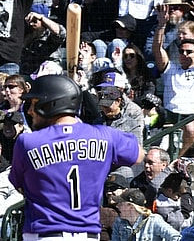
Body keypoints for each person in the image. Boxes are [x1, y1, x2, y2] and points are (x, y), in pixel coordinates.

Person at [9, 75, 144, 238]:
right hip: (88, 235)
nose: (30, 111)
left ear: (52, 103)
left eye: (35, 104)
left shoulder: (28, 142)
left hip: (46, 233)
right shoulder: (105, 136)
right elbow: (139, 155)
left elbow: (19, 185)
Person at [153, 0, 194, 156]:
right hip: (170, 118)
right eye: (181, 52)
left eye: (189, 52)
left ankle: (175, 158)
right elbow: (157, 49)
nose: (184, 54)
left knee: (190, 127)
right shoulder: (171, 69)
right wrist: (161, 25)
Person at [111, 188, 181, 241]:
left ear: (131, 206)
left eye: (121, 204)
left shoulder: (154, 221)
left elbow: (176, 237)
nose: (117, 206)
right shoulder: (119, 222)